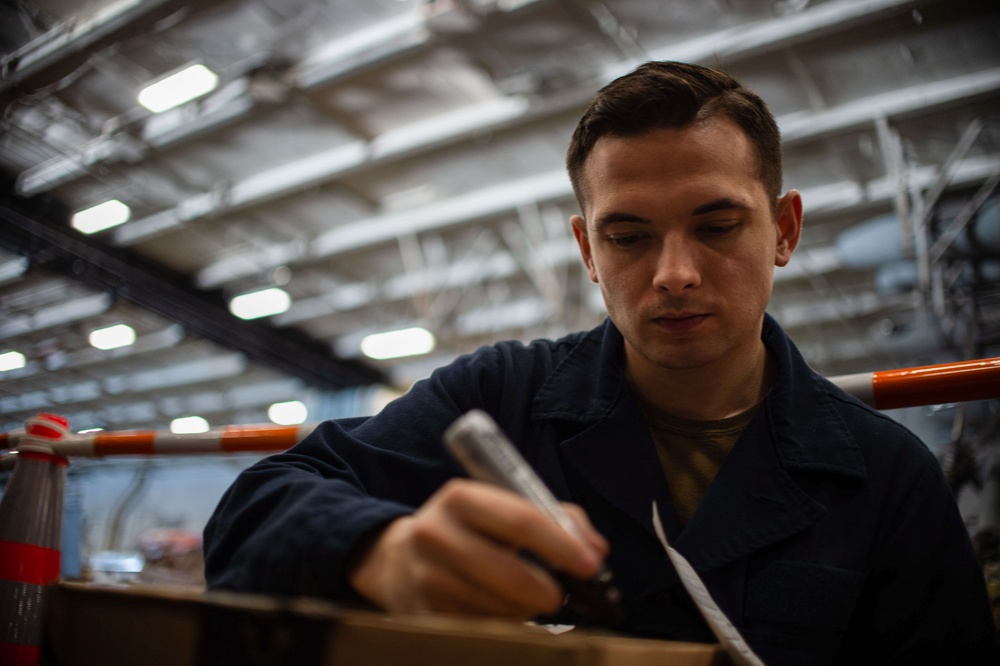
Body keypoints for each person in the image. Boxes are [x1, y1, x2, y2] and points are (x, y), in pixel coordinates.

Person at [203, 61, 1000, 664]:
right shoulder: (500, 400)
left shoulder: (887, 477)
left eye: (717, 226)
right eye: (629, 237)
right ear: (587, 249)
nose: (674, 273)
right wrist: (379, 549)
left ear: (784, 230)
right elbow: (256, 507)